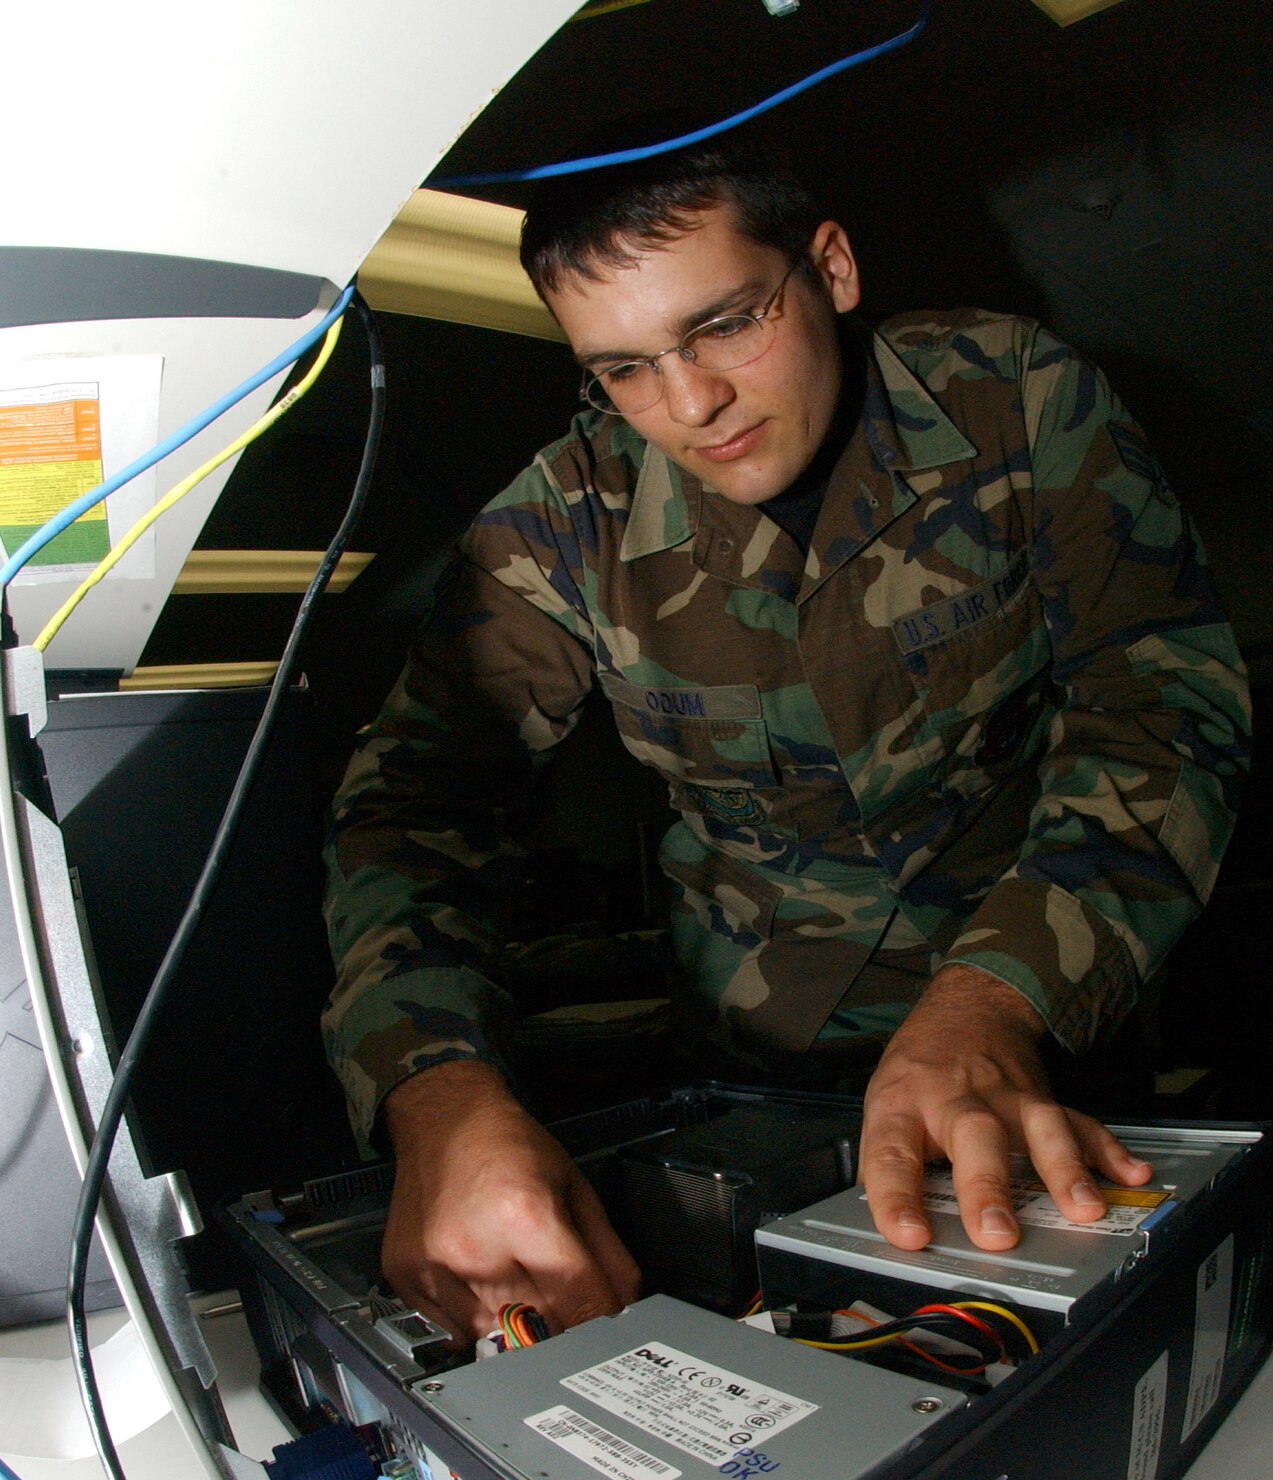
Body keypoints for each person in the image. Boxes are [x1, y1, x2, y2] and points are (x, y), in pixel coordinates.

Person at [322, 142, 1249, 1344]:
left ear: (831, 266)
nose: (687, 403)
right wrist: (434, 1091)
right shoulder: (556, 528)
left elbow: (1162, 699)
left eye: (723, 325)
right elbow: (412, 806)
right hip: (760, 1082)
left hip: (1050, 1027)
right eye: (623, 368)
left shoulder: (1013, 398)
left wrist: (992, 1001)